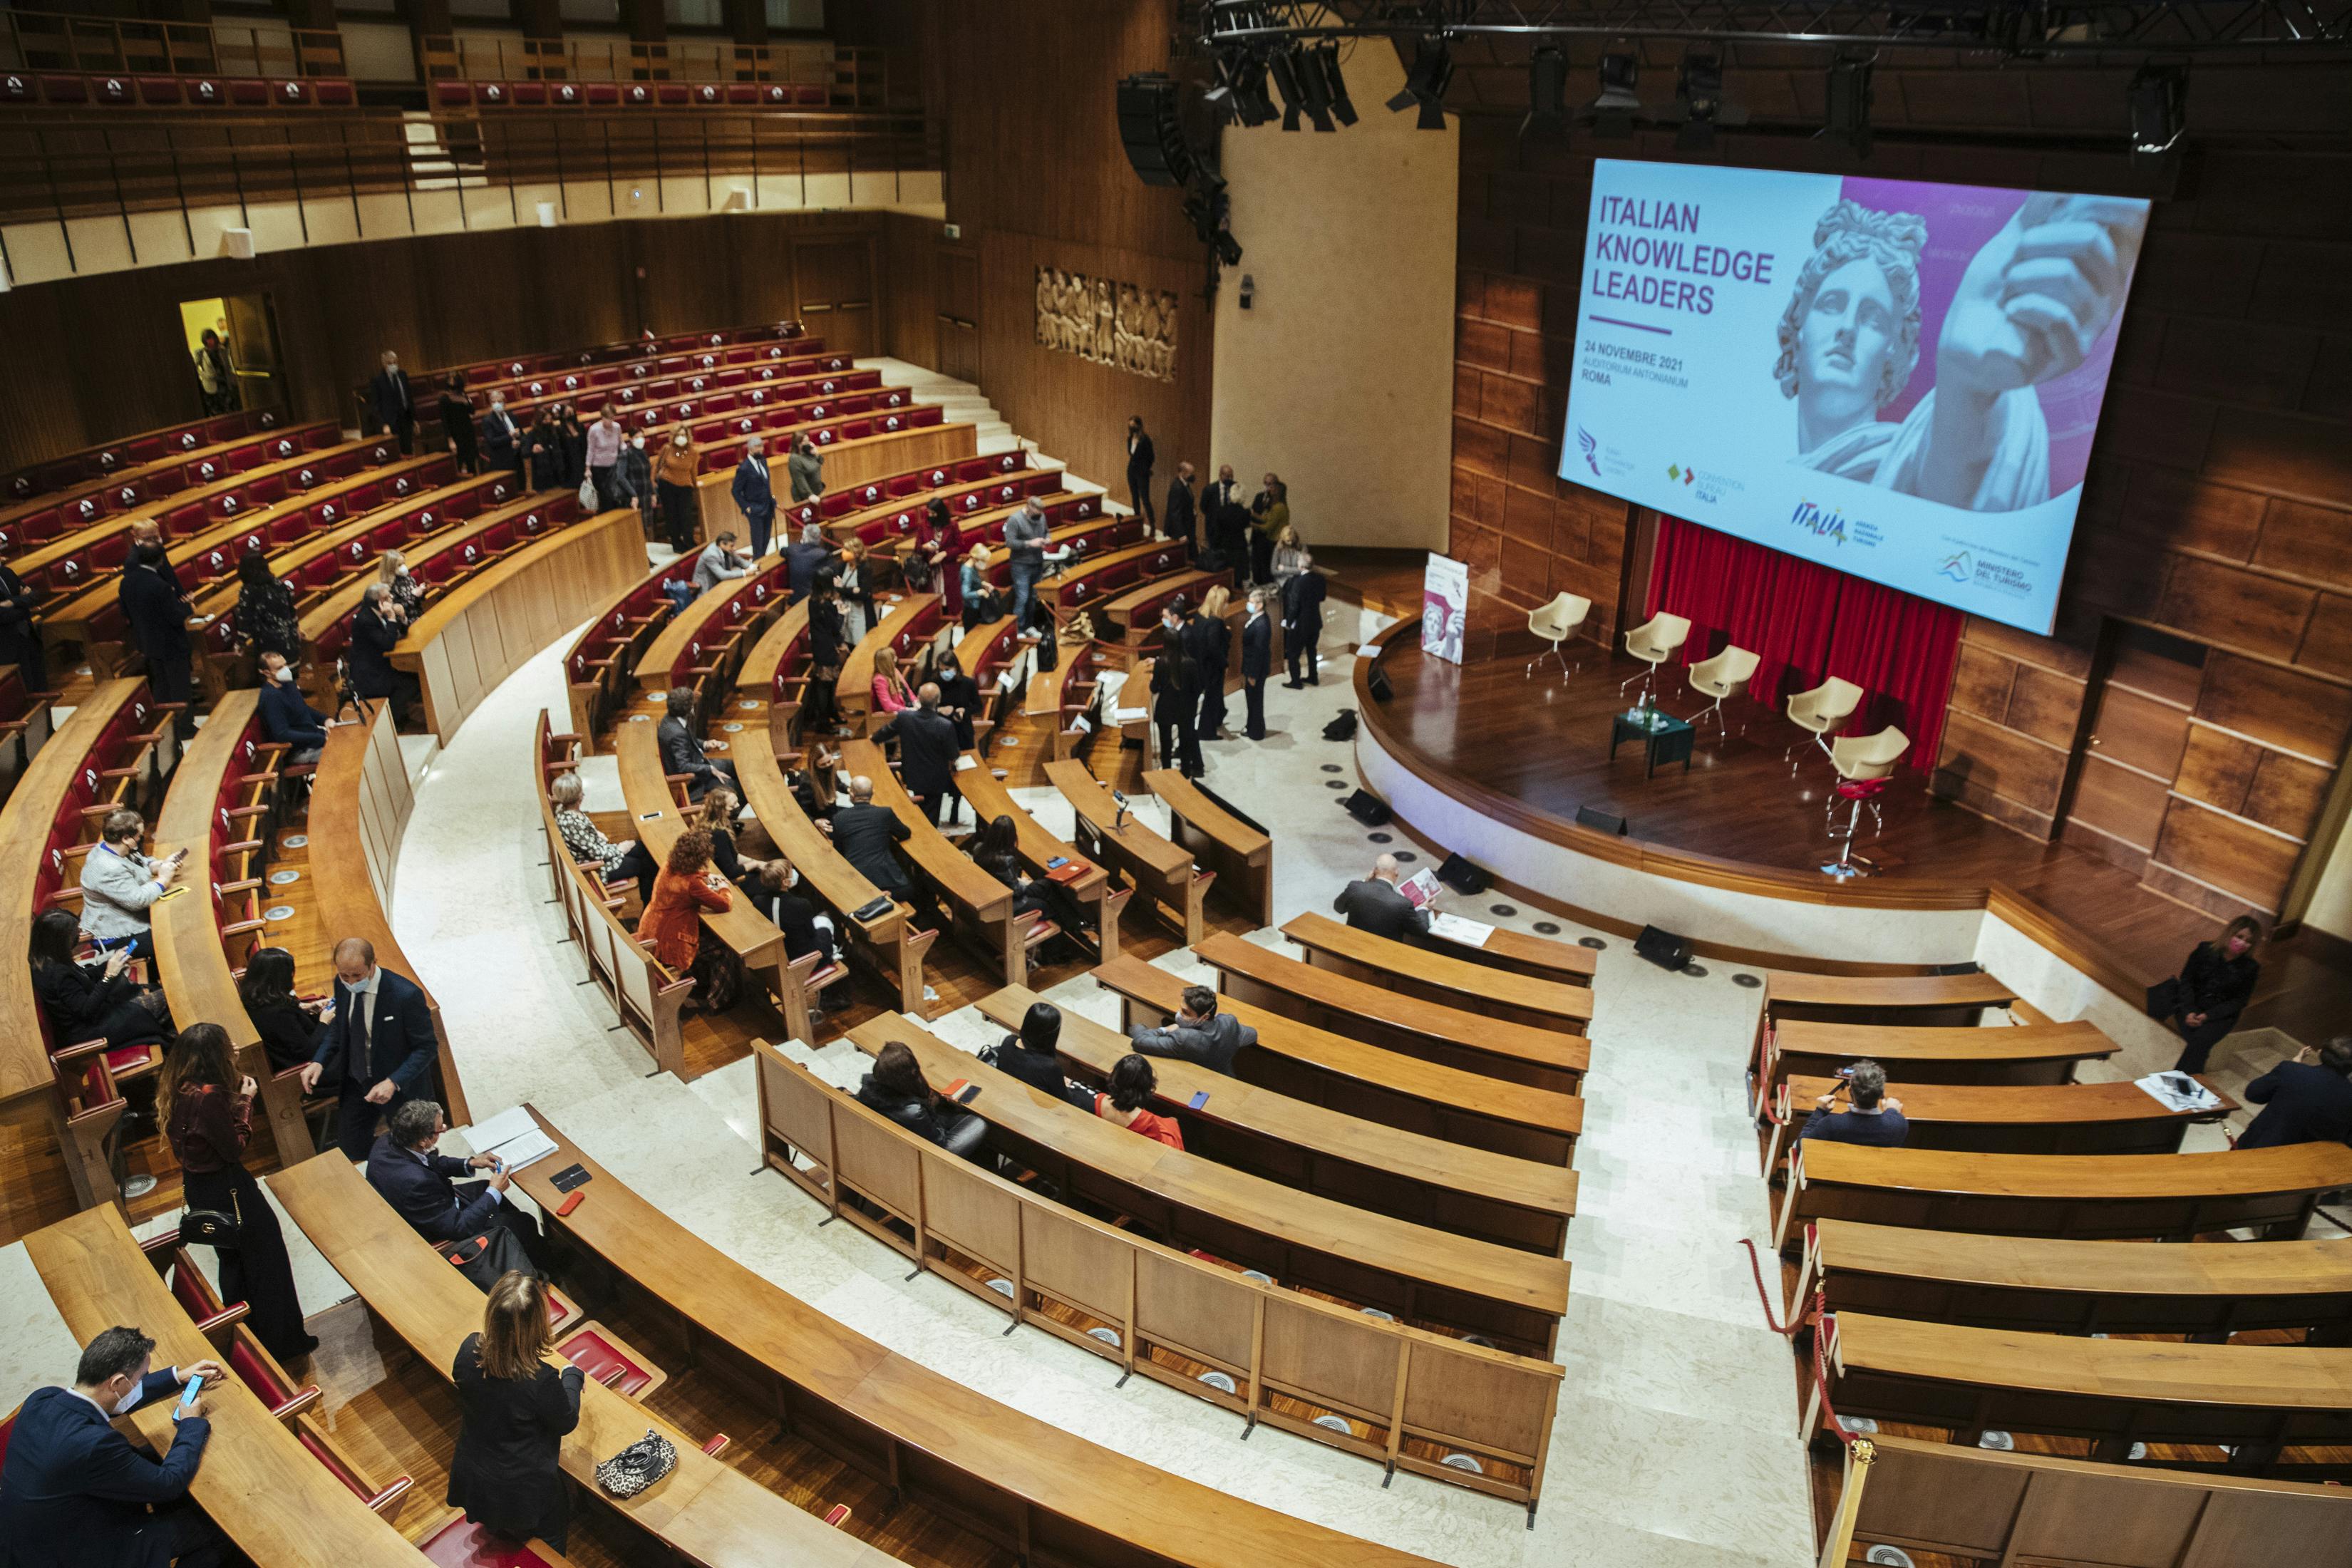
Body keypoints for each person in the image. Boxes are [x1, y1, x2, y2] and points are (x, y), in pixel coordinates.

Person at [1777, 194, 2145, 512]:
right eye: (1830, 304)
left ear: (1894, 349)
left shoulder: (1909, 460)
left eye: (1873, 318)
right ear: (1799, 322)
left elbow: (1952, 470)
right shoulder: (1765, 458)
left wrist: (1965, 386)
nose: (1847, 327)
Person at [0, 1325, 227, 1568]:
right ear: (118, 1383)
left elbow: (109, 1402)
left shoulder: (43, 1399)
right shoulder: (94, 1445)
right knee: (218, 1530)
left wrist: (177, 1377)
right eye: (141, 1378)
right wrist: (191, 1423)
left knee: (155, 1457)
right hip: (74, 1554)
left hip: (29, 1535)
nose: (142, 1383)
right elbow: (168, 1483)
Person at [160, 1023, 317, 1362]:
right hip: (229, 1188)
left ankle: (246, 1338)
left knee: (233, 1263)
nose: (233, 1049)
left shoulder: (179, 1086)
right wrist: (246, 1101)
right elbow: (234, 1147)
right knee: (268, 1263)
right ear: (215, 1056)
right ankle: (284, 1343)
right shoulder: (209, 1096)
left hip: (200, 1189)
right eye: (226, 1046)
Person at [448, 1272, 584, 1552]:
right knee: (553, 1536)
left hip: (475, 1473)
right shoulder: (540, 1380)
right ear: (537, 1324)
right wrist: (572, 1377)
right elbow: (566, 1420)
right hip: (522, 1489)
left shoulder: (467, 1350)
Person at [298, 936, 440, 1160]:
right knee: (351, 1148)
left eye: (358, 975)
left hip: (399, 1089)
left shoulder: (406, 995)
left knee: (417, 1151)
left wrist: (393, 1082)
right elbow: (340, 1028)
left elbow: (427, 1047)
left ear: (374, 963)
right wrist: (319, 1060)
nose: (352, 983)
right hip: (357, 1082)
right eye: (345, 976)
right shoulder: (341, 984)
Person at [366, 1098, 548, 1267]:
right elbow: (459, 1228)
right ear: (424, 1140)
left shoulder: (388, 1141)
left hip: (431, 1204)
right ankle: (544, 1263)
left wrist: (470, 1163)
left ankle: (524, 1242)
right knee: (523, 1223)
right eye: (440, 1128)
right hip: (439, 1226)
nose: (445, 1129)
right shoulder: (417, 1183)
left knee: (486, 1189)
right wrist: (496, 1190)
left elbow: (427, 1162)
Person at [31, 905, 170, 1052]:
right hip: (90, 1031)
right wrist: (109, 976)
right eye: (74, 933)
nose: (79, 935)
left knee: (158, 999)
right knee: (168, 998)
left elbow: (83, 976)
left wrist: (111, 962)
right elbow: (86, 1010)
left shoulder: (46, 957)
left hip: (96, 1017)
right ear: (59, 941)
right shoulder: (57, 973)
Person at [635, 827, 739, 1009]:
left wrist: (707, 877)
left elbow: (691, 876)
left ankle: (702, 982)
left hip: (651, 928)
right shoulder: (691, 884)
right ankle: (717, 1001)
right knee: (724, 948)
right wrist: (723, 886)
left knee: (710, 936)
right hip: (672, 941)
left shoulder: (669, 865)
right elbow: (724, 905)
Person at [76, 810, 184, 965]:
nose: (141, 838)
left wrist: (162, 865)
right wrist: (164, 879)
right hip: (115, 935)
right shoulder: (107, 867)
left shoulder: (112, 848)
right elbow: (137, 900)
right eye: (139, 836)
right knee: (173, 939)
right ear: (126, 838)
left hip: (130, 918)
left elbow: (140, 862)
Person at [2160, 915, 2262, 1074]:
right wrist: (2189, 1010)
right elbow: (2187, 980)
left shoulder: (2251, 967)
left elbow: (2240, 1001)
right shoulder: (2204, 950)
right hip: (2192, 1003)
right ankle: (2191, 1080)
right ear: (2230, 933)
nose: (2242, 943)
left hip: (2220, 1014)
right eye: (2239, 937)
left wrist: (2209, 1015)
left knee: (2201, 1040)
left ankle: (2177, 1081)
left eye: (2248, 941)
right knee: (2199, 1044)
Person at [855, 1041, 987, 1161]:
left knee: (954, 1112)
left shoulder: (867, 1091)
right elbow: (939, 1142)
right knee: (979, 1122)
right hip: (933, 1155)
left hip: (889, 1145)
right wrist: (932, 1107)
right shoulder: (914, 1112)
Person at [824, 774, 925, 915]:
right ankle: (888, 896)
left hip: (856, 881)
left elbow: (839, 852)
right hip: (885, 877)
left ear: (851, 794)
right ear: (873, 794)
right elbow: (905, 833)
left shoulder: (839, 818)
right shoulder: (885, 813)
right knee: (911, 889)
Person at [548, 769, 659, 890]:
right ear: (579, 796)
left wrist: (597, 834)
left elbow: (587, 840)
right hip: (598, 867)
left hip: (602, 850)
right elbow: (596, 854)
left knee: (644, 848)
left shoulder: (563, 809)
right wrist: (620, 849)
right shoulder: (570, 823)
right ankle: (650, 906)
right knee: (645, 865)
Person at [2235, 1038, 2352, 1152]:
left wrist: (2293, 1066)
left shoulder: (2289, 1070)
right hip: (2306, 1162)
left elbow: (2253, 1094)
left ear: (2320, 1052)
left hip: (2258, 1147)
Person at [875, 681, 961, 825]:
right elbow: (953, 754)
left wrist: (872, 739)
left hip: (913, 775)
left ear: (919, 699)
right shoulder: (945, 726)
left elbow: (883, 734)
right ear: (938, 700)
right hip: (936, 780)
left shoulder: (904, 718)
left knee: (920, 810)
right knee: (931, 818)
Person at [120, 542, 195, 703]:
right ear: (161, 560)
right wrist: (188, 606)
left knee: (161, 685)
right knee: (179, 687)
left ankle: (163, 720)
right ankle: (185, 728)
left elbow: (126, 613)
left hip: (147, 642)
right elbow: (175, 617)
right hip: (170, 644)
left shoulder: (125, 582)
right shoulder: (161, 586)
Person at [1127, 984, 1256, 1076]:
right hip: (1227, 1078)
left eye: (1185, 1012)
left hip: (1193, 1082)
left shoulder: (1185, 1038)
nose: (1179, 1014)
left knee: (1137, 1029)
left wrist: (1165, 1030)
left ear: (1205, 1017)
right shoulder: (1229, 1022)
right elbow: (1253, 1035)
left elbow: (1139, 1041)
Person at [745, 857, 840, 979]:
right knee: (825, 919)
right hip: (802, 958)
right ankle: (833, 955)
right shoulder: (801, 904)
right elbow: (812, 934)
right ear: (785, 882)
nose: (794, 873)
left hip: (778, 953)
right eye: (791, 872)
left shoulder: (758, 901)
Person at [988, 1001, 1094, 1109]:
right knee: (1090, 1100)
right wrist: (1063, 1084)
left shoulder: (1008, 1041)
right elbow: (1066, 1102)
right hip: (1039, 1110)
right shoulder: (1049, 1066)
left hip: (1011, 1099)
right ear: (1051, 1035)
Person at [237, 945, 322, 1072]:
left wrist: (307, 1010)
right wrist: (324, 1022)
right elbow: (308, 1052)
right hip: (308, 1069)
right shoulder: (278, 1013)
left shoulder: (256, 999)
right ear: (280, 979)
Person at [1793, 1058, 1909, 1147]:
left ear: (1850, 1091)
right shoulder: (1898, 1124)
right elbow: (1893, 1119)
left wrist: (1820, 1111)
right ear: (1881, 1094)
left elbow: (1803, 1146)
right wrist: (1893, 1110)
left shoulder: (1831, 1125)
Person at [351, 581, 421, 726]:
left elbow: (400, 632)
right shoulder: (365, 619)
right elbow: (387, 643)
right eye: (388, 597)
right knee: (411, 684)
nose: (392, 599)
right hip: (370, 674)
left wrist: (401, 617)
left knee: (415, 677)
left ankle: (399, 714)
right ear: (379, 602)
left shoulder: (378, 612)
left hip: (382, 665)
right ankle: (392, 721)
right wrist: (391, 618)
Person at [657, 687, 738, 801]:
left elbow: (688, 740)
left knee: (733, 765)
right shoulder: (677, 733)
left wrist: (705, 744)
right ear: (689, 708)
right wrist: (710, 769)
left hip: (698, 761)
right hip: (692, 779)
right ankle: (734, 813)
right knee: (732, 786)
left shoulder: (671, 718)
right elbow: (683, 766)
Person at [1151, 607, 1202, 780]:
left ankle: (1167, 775)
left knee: (1166, 745)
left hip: (1165, 709)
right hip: (1185, 709)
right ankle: (1186, 773)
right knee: (1185, 742)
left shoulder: (1160, 663)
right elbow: (1196, 688)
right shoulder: (1191, 663)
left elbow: (1154, 688)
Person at [1090, 1054, 1184, 1149]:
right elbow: (1161, 1148)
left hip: (1108, 1143)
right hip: (1135, 1150)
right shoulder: (1146, 1121)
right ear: (1147, 1086)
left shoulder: (1100, 1099)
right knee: (1172, 1123)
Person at [1334, 854, 1431, 942]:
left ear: (1375, 871)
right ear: (1397, 872)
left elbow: (1338, 908)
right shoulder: (1403, 904)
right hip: (1383, 953)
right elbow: (1422, 931)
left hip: (1351, 943)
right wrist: (1424, 908)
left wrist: (1365, 881)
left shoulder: (1355, 887)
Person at [256, 650, 329, 763]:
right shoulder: (271, 697)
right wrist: (319, 739)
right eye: (279, 668)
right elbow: (283, 734)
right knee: (342, 754)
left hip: (314, 738)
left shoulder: (288, 684)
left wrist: (325, 719)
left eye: (285, 665)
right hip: (298, 751)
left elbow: (303, 709)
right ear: (266, 673)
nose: (286, 669)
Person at [235, 548, 302, 666]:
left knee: (274, 682)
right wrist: (297, 631)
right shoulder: (279, 584)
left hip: (270, 651)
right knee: (290, 680)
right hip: (291, 645)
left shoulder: (248, 591)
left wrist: (240, 643)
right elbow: (292, 612)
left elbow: (246, 620)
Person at [1185, 585, 1231, 741]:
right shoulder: (1216, 622)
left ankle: (1219, 715)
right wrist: (1225, 664)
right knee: (1212, 697)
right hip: (1212, 667)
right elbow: (1214, 647)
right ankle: (1206, 732)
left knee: (1215, 696)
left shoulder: (1199, 615)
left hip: (1199, 663)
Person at [698, 785, 763, 884]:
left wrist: (760, 864)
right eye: (732, 806)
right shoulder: (718, 833)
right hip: (726, 882)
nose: (738, 806)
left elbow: (734, 856)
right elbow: (730, 872)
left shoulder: (712, 824)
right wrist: (755, 864)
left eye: (737, 802)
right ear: (721, 810)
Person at [1004, 498, 1052, 631]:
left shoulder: (1041, 516)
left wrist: (1048, 539)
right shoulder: (1015, 520)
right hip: (1021, 566)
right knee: (1022, 598)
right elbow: (1009, 543)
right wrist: (1029, 543)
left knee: (1032, 598)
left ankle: (1028, 626)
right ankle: (1018, 629)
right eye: (1038, 509)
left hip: (1037, 563)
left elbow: (1047, 531)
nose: (1041, 513)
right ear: (1029, 506)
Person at [1280, 559, 1326, 688]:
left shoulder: (1298, 582)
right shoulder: (1320, 579)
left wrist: (1288, 622)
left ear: (1301, 566)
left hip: (1301, 624)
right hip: (1315, 621)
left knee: (1293, 653)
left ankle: (1296, 681)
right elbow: (1322, 597)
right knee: (1312, 651)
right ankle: (1313, 677)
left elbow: (1294, 605)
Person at [655, 425, 700, 553]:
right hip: (667, 485)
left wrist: (695, 486)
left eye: (684, 435)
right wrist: (653, 483)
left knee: (686, 516)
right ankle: (676, 543)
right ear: (674, 436)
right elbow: (657, 466)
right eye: (679, 435)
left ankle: (689, 541)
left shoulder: (693, 452)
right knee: (672, 515)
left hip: (685, 486)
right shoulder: (667, 448)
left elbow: (693, 470)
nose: (682, 438)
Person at [731, 434, 778, 557]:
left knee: (766, 539)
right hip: (755, 509)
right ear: (750, 449)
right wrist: (746, 507)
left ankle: (762, 560)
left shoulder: (763, 461)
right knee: (758, 541)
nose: (761, 449)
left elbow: (766, 483)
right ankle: (758, 564)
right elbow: (735, 491)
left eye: (762, 446)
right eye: (758, 447)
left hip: (768, 506)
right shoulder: (744, 469)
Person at [0, 557, 42, 683]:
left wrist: (12, 602)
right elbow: (2, 616)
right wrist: (23, 605)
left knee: (40, 682)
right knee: (25, 687)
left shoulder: (6, 573)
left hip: (28, 636)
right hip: (6, 647)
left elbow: (34, 596)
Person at [932, 651, 984, 751]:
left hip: (962, 731)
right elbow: (925, 706)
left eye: (947, 669)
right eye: (941, 670)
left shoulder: (968, 683)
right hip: (941, 731)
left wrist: (964, 711)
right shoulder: (935, 683)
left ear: (955, 667)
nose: (944, 673)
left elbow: (978, 706)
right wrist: (939, 709)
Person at [1240, 587, 1273, 741]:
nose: (1249, 604)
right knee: (1252, 699)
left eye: (1252, 602)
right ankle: (1252, 726)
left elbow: (1259, 652)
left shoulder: (1262, 625)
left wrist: (1253, 674)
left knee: (1255, 700)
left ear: (1260, 605)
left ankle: (1256, 731)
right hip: (1252, 666)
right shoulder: (1257, 619)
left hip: (1256, 669)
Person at [370, 349, 416, 454]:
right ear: (384, 364)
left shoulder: (403, 375)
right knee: (396, 452)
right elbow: (376, 406)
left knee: (409, 450)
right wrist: (384, 424)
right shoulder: (378, 381)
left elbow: (409, 398)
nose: (393, 365)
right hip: (391, 422)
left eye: (395, 362)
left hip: (406, 418)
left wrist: (414, 419)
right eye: (390, 363)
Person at [1204, 464, 1246, 577]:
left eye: (1231, 476)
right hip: (1215, 531)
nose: (1230, 479)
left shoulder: (1235, 487)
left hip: (1231, 535)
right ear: (1220, 475)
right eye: (1227, 476)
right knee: (1217, 562)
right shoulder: (1210, 489)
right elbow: (1204, 508)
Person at [1249, 473, 1289, 587]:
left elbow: (1268, 526)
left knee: (1267, 568)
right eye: (1266, 484)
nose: (1268, 488)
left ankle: (1267, 589)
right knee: (1256, 566)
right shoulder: (1260, 497)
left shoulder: (1279, 506)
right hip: (1258, 538)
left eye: (1271, 485)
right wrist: (1252, 514)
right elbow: (1264, 517)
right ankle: (1259, 587)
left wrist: (1252, 524)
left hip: (1271, 540)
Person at [437, 369, 479, 475]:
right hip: (455, 434)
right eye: (451, 386)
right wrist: (450, 440)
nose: (453, 390)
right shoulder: (444, 399)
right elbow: (445, 421)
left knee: (471, 460)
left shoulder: (463, 395)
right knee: (459, 462)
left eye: (455, 386)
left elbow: (472, 411)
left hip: (468, 431)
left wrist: (465, 402)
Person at [479, 389, 522, 483]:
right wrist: (510, 436)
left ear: (504, 403)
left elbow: (521, 434)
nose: (497, 404)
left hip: (517, 459)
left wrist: (519, 442)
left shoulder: (512, 416)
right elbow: (492, 442)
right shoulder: (488, 421)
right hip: (502, 461)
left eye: (499, 401)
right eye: (494, 402)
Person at [691, 530, 753, 594]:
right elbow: (722, 575)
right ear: (722, 544)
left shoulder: (727, 549)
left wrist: (753, 567)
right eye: (732, 546)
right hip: (708, 588)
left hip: (722, 582)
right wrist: (745, 572)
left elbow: (740, 561)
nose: (734, 548)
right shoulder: (710, 555)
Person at [585, 407, 623, 511]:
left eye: (613, 418)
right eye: (609, 418)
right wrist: (588, 468)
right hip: (599, 468)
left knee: (616, 494)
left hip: (614, 466)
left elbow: (621, 444)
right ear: (602, 417)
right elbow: (590, 450)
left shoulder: (617, 427)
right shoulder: (594, 429)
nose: (611, 421)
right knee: (606, 497)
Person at [785, 521, 834, 602]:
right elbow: (833, 574)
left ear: (804, 537)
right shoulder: (823, 554)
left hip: (796, 599)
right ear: (819, 538)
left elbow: (783, 551)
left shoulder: (792, 550)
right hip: (816, 599)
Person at [616, 430, 654, 531]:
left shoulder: (644, 453)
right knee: (636, 528)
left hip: (645, 495)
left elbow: (647, 474)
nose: (641, 440)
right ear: (631, 439)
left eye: (642, 437)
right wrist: (633, 494)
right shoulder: (626, 454)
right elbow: (620, 477)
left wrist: (653, 493)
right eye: (637, 437)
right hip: (633, 497)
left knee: (646, 527)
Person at [193, 328, 235, 415]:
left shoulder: (222, 350)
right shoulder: (200, 353)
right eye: (208, 339)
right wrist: (206, 375)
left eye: (212, 338)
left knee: (229, 408)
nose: (211, 342)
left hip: (224, 383)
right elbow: (197, 367)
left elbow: (227, 366)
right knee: (216, 410)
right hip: (211, 385)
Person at [1125, 415, 1156, 527]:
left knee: (1145, 499)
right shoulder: (1130, 438)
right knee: (1134, 496)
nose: (1131, 428)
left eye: (1133, 425)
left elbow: (1151, 457)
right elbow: (1131, 454)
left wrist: (1145, 469)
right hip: (1131, 471)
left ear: (1139, 426)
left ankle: (1152, 524)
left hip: (1142, 473)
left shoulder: (1145, 440)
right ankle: (1137, 521)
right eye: (1130, 426)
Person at [959, 542, 997, 630]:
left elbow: (974, 581)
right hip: (971, 610)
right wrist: (980, 592)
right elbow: (965, 594)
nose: (985, 564)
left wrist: (983, 584)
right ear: (976, 559)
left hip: (976, 606)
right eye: (983, 561)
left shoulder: (971, 567)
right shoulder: (967, 572)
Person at [870, 644, 915, 719]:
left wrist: (916, 702)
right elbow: (888, 706)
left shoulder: (895, 671)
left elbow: (908, 691)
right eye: (894, 657)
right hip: (894, 717)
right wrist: (908, 710)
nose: (896, 659)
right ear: (887, 661)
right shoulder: (879, 679)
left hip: (906, 710)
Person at [380, 548, 425, 623]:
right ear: (391, 567)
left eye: (404, 563)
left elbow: (417, 602)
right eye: (399, 565)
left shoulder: (407, 577)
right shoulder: (388, 587)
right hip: (406, 622)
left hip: (419, 615)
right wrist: (414, 595)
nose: (403, 567)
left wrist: (422, 591)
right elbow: (398, 610)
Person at [1162, 460, 1197, 555]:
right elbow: (1174, 512)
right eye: (1191, 474)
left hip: (1188, 526)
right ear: (1183, 473)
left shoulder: (1185, 484)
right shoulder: (1177, 488)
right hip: (1180, 529)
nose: (1193, 476)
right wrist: (1181, 534)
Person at [524, 411, 562, 491]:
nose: (548, 422)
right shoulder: (532, 434)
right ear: (539, 421)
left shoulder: (554, 431)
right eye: (545, 420)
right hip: (542, 475)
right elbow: (525, 453)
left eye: (550, 419)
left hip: (556, 471)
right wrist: (533, 451)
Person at [787, 432, 825, 511]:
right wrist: (809, 495)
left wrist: (816, 453)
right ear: (798, 443)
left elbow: (820, 462)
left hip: (817, 491)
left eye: (808, 441)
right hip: (804, 497)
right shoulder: (794, 459)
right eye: (805, 441)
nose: (808, 443)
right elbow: (799, 479)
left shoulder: (808, 453)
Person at [1271, 524, 1313, 592]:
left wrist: (1284, 569)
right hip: (1282, 581)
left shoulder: (1302, 548)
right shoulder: (1278, 549)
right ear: (1283, 539)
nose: (1290, 543)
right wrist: (1293, 572)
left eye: (1292, 540)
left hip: (1298, 579)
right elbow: (1273, 570)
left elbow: (1303, 570)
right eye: (1288, 541)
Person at [555, 403, 587, 493]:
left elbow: (585, 444)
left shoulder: (580, 426)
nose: (570, 415)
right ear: (563, 415)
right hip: (569, 463)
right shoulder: (559, 430)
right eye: (568, 413)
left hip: (581, 460)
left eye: (572, 412)